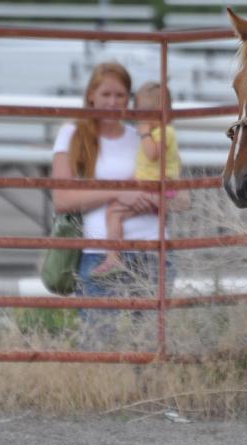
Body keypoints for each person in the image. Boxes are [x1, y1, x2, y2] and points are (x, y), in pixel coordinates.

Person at [50, 62, 188, 348]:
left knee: (150, 346)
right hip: (100, 253)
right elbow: (62, 200)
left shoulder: (145, 135)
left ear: (130, 99)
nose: (113, 102)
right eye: (106, 94)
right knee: (100, 344)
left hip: (152, 252)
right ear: (91, 96)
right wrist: (118, 192)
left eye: (120, 95)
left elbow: (182, 197)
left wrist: (148, 199)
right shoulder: (74, 135)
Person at [92, 81, 183, 277]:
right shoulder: (159, 132)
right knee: (116, 213)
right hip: (152, 186)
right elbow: (148, 167)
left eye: (146, 114)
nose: (141, 120)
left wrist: (144, 133)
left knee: (114, 213)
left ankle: (113, 258)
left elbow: (152, 154)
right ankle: (115, 256)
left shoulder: (165, 132)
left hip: (159, 189)